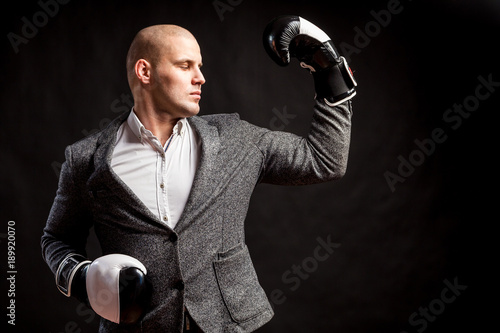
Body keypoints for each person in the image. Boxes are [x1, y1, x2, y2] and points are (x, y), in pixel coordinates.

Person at [41, 15, 356, 333]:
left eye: (200, 66)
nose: (200, 78)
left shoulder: (235, 138)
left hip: (229, 326)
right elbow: (57, 239)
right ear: (144, 72)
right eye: (185, 65)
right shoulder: (86, 158)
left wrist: (330, 71)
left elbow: (324, 160)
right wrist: (81, 277)